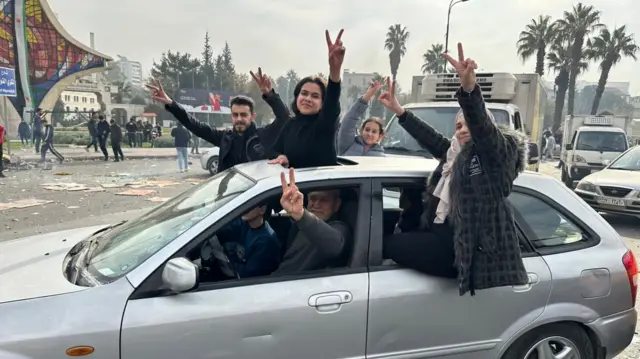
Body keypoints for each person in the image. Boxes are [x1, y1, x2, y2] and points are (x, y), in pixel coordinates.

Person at [379, 43, 528, 296]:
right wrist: (400, 112)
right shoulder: (455, 156)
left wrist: (470, 90)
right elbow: (431, 139)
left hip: (465, 249)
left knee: (386, 245)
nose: (463, 129)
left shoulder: (495, 156)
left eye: (468, 123)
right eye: (458, 126)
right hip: (439, 235)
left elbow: (485, 131)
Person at [147, 71, 289, 172]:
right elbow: (194, 125)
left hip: (255, 203)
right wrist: (171, 104)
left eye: (244, 115)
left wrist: (269, 94)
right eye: (235, 115)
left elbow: (284, 118)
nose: (239, 119)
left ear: (252, 116)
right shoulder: (224, 138)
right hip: (229, 201)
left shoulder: (264, 135)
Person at [269, 29, 345, 168]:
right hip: (291, 187)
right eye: (304, 93)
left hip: (320, 187)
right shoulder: (290, 124)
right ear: (297, 97)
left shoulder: (324, 125)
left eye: (315, 96)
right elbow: (274, 151)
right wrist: (281, 156)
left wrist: (335, 70)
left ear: (323, 103)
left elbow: (332, 102)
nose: (308, 99)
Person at [273, 168, 350, 274]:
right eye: (313, 198)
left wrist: (301, 215)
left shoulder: (338, 228)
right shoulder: (299, 225)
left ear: (337, 204)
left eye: (324, 200)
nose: (316, 204)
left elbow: (335, 246)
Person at [215, 204, 281, 278]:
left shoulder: (266, 241)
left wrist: (223, 262)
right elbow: (222, 231)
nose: (245, 208)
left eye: (250, 206)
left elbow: (247, 273)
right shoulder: (245, 224)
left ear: (262, 210)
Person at [337, 80, 386, 156]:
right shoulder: (348, 144)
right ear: (361, 130)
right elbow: (349, 120)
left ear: (380, 136)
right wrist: (367, 96)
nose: (369, 134)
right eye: (367, 129)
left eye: (374, 131)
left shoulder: (382, 158)